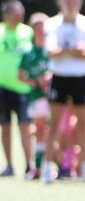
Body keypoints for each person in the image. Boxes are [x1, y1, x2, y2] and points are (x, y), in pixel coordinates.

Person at [41, 0, 85, 183]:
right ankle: (47, 169)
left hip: (80, 78)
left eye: (74, 1)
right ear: (60, 2)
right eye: (67, 1)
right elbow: (50, 51)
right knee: (54, 124)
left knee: (83, 125)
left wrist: (65, 51)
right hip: (59, 77)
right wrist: (74, 51)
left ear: (80, 3)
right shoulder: (52, 23)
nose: (71, 5)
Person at [0, 0, 34, 177]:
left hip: (23, 88)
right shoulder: (0, 31)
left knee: (25, 127)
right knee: (5, 127)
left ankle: (29, 165)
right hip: (2, 87)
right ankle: (9, 165)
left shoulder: (28, 32)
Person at [18, 12, 50, 179]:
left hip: (55, 97)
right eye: (37, 29)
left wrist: (50, 78)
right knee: (40, 130)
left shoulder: (52, 49)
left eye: (42, 29)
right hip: (37, 96)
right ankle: (37, 167)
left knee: (55, 130)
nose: (40, 32)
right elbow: (21, 76)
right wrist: (36, 82)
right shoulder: (28, 52)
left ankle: (60, 166)